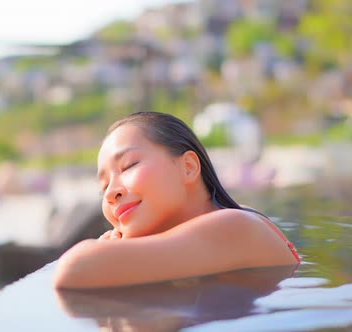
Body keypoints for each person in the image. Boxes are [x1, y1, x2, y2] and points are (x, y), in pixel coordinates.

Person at [53, 112, 300, 289]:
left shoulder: (235, 226)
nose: (110, 193)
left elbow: (73, 270)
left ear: (189, 167)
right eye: (103, 186)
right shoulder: (229, 222)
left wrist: (109, 250)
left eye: (129, 165)